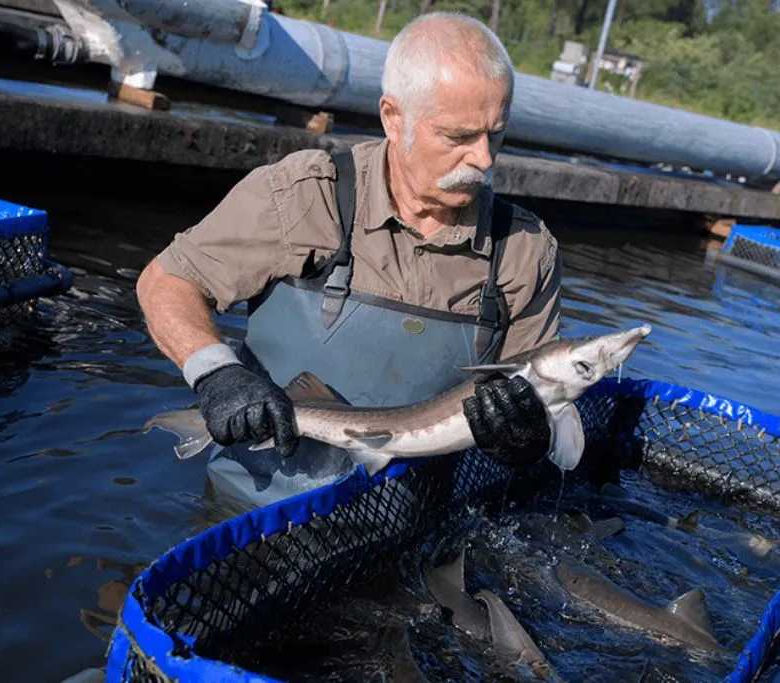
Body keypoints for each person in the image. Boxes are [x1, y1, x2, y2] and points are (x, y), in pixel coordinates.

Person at [135, 11, 570, 509]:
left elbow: (534, 418)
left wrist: (523, 438)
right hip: (254, 508)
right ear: (393, 117)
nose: (484, 161)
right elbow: (167, 281)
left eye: (496, 135)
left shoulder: (524, 249)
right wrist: (216, 374)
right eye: (458, 137)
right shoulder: (304, 196)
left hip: (406, 517)